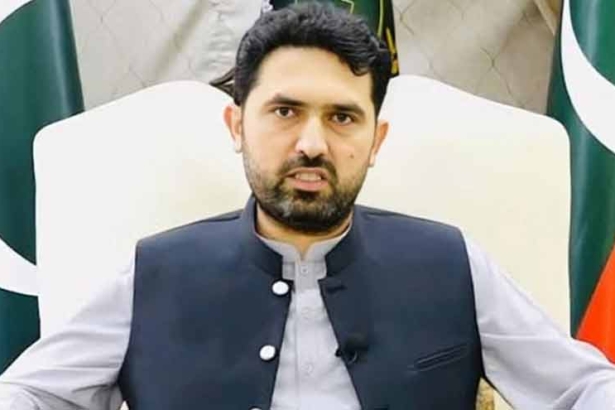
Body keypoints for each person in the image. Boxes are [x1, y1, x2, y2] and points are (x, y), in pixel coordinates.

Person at [1, 3, 614, 409]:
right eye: (285, 111)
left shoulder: (451, 264)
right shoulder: (151, 274)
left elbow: (585, 387)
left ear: (376, 140)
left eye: (342, 117)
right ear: (237, 126)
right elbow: (29, 394)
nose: (312, 144)